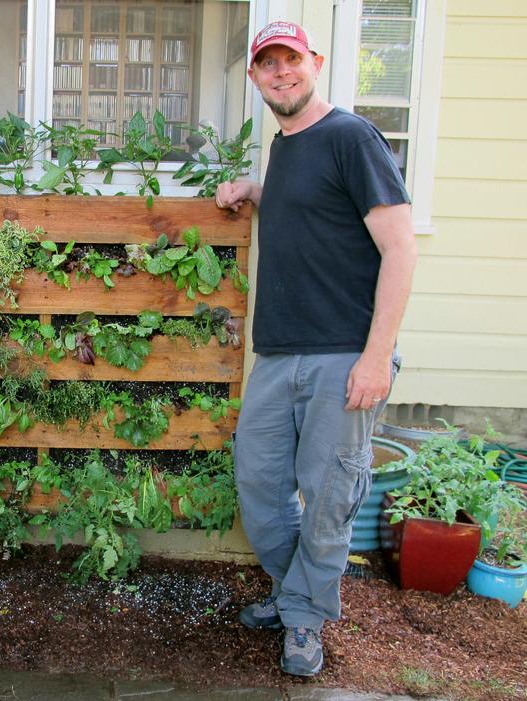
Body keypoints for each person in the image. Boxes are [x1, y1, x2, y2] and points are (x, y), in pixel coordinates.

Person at [215, 21, 417, 677]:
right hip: (278, 354)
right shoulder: (289, 146)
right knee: (259, 481)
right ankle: (296, 589)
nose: (281, 73)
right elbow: (314, 213)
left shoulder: (350, 136)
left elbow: (399, 246)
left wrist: (375, 354)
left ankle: (302, 619)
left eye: (291, 60)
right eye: (267, 64)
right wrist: (255, 192)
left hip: (342, 354)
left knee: (328, 494)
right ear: (255, 77)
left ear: (315, 62)